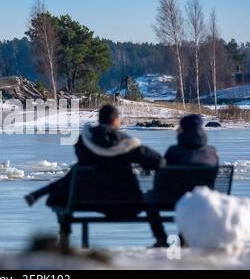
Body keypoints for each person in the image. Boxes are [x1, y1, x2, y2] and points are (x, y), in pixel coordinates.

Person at [25, 105, 167, 245]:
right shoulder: (127, 143)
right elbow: (158, 162)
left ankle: (64, 238)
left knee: (63, 193)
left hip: (87, 201)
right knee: (150, 198)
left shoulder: (83, 142)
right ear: (115, 121)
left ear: (99, 120)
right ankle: (161, 238)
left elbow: (82, 159)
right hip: (128, 203)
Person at [148, 114, 220, 247]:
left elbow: (163, 176)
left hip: (170, 200)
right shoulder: (212, 153)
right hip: (201, 201)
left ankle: (161, 237)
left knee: (149, 196)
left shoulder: (173, 151)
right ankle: (183, 237)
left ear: (183, 130)